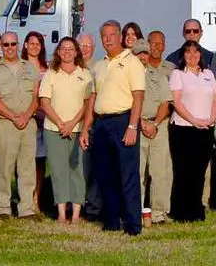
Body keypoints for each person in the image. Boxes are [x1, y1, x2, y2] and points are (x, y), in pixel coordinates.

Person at [83, 20, 145, 235]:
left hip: (123, 121)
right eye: (104, 36)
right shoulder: (99, 66)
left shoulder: (132, 62)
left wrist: (132, 126)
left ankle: (133, 225)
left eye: (112, 35)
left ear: (120, 37)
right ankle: (111, 221)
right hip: (101, 124)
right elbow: (93, 97)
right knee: (105, 175)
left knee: (127, 175)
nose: (108, 39)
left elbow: (138, 96)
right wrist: (85, 128)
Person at [39, 37, 93, 224]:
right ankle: (62, 212)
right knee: (58, 170)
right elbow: (44, 102)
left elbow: (88, 104)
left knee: (77, 170)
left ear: (77, 52)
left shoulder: (85, 74)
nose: (67, 52)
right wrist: (61, 123)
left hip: (77, 129)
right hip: (54, 129)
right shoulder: (50, 74)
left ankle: (76, 213)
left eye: (71, 49)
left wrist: (72, 123)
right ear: (58, 52)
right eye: (64, 49)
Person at [168, 39, 216, 222]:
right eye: (188, 52)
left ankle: (196, 210)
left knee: (200, 171)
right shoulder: (178, 74)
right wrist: (193, 120)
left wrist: (211, 119)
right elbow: (177, 102)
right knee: (183, 171)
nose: (192, 56)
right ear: (183, 55)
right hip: (183, 129)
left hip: (205, 129)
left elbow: (215, 99)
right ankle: (181, 212)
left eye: (196, 52)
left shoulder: (208, 74)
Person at [0, 31, 40, 220]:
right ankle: (3, 207)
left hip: (28, 123)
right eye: (6, 45)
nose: (10, 48)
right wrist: (13, 117)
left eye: (13, 44)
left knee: (27, 167)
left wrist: (27, 115)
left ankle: (26, 208)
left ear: (18, 45)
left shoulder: (30, 68)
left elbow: (36, 97)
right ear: (1, 47)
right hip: (6, 123)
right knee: (4, 167)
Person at [132, 38, 173, 225]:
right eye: (138, 53)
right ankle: (136, 211)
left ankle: (158, 213)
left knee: (159, 172)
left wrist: (154, 124)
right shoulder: (128, 76)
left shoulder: (159, 75)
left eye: (145, 53)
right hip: (136, 126)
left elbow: (165, 103)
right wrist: (141, 122)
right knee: (137, 172)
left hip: (158, 126)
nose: (142, 57)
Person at [22, 30, 49, 215]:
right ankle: (23, 198)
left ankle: (36, 199)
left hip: (43, 121)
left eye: (37, 44)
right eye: (31, 43)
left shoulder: (46, 69)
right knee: (25, 162)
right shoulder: (20, 67)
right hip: (26, 120)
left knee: (40, 162)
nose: (34, 47)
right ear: (25, 45)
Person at [77, 33, 101, 219]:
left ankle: (93, 207)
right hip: (70, 125)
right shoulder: (70, 67)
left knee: (91, 168)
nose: (84, 48)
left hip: (91, 124)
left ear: (93, 47)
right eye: (81, 45)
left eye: (88, 45)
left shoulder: (99, 69)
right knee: (73, 168)